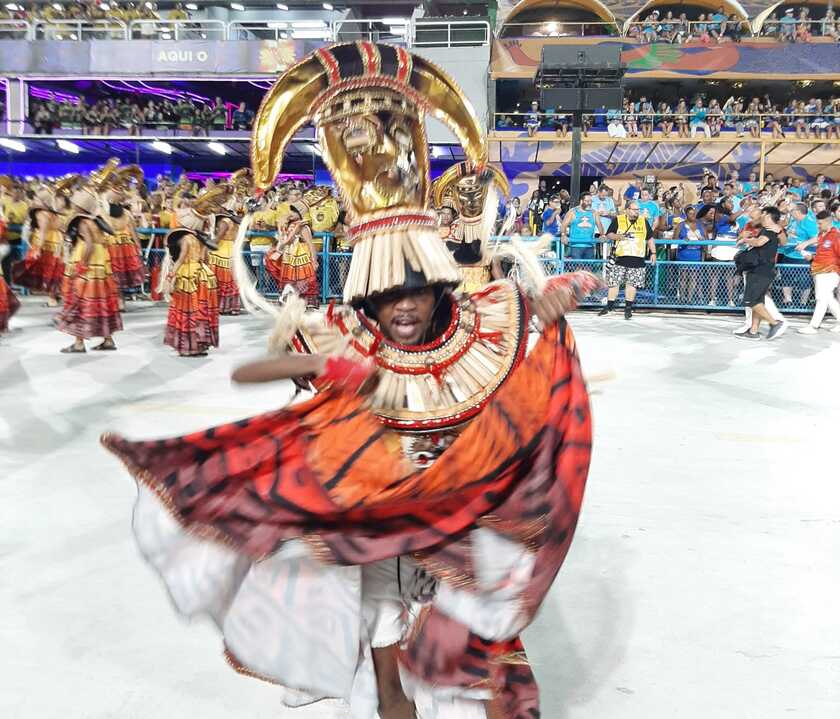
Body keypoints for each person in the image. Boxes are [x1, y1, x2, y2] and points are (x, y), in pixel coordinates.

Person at [102, 41, 595, 719]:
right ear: (366, 293)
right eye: (387, 293)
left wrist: (548, 310)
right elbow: (251, 369)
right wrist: (319, 365)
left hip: (460, 528)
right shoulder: (344, 331)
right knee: (390, 675)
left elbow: (530, 385)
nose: (404, 305)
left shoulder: (486, 321)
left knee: (480, 671)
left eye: (415, 289)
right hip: (374, 529)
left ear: (438, 281)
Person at [57, 186, 123, 353]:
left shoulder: (82, 222)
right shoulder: (96, 220)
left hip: (89, 264)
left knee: (80, 301)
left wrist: (81, 265)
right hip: (101, 264)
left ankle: (79, 343)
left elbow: (88, 245)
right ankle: (108, 339)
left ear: (79, 206)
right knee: (101, 301)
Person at [737, 206, 787, 340]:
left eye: (763, 214)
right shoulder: (768, 230)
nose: (760, 216)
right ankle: (753, 332)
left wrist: (745, 239)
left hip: (761, 269)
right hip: (762, 269)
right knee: (758, 301)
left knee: (752, 300)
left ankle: (775, 323)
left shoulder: (771, 231)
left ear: (769, 217)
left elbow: (759, 242)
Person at [11, 184, 65, 306]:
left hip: (47, 243)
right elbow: (60, 228)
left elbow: (43, 231)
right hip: (56, 241)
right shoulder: (53, 213)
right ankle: (54, 296)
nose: (34, 200)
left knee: (42, 269)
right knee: (54, 269)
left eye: (36, 199)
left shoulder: (41, 213)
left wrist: (38, 248)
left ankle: (52, 299)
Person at [600, 200, 655, 319]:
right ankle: (609, 306)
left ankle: (628, 308)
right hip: (620, 256)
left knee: (632, 284)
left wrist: (653, 252)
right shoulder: (618, 219)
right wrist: (619, 236)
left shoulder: (643, 221)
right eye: (634, 209)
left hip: (638, 257)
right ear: (627, 210)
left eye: (637, 210)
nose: (637, 212)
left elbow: (650, 238)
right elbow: (609, 234)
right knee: (614, 283)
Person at [264, 200, 319, 306]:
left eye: (294, 212)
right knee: (290, 280)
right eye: (291, 211)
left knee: (302, 280)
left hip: (301, 258)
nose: (291, 214)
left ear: (300, 214)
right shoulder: (290, 225)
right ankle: (290, 300)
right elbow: (283, 240)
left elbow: (310, 244)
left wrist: (314, 260)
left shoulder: (303, 227)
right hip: (289, 256)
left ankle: (303, 302)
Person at [796, 210, 840, 333]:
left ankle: (814, 326)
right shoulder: (822, 235)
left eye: (820, 224)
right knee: (828, 298)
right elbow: (823, 253)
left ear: (827, 222)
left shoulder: (836, 236)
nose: (818, 226)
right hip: (819, 270)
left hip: (830, 271)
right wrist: (811, 257)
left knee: (821, 298)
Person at [205, 185, 242, 315]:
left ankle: (221, 307)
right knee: (231, 280)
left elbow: (217, 239)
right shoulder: (234, 221)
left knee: (221, 280)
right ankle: (231, 307)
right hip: (231, 250)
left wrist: (206, 243)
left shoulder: (223, 222)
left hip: (221, 252)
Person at [780, 202, 818, 306]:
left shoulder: (809, 222)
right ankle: (788, 300)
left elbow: (818, 237)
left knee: (804, 280)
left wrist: (805, 243)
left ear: (797, 212)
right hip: (788, 253)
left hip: (802, 256)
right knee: (786, 278)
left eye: (792, 210)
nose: (790, 212)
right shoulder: (793, 220)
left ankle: (803, 303)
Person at [561, 192, 603, 261]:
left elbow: (599, 225)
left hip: (589, 245)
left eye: (590, 201)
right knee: (577, 269)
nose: (589, 203)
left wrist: (602, 235)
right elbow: (563, 225)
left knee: (588, 269)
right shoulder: (573, 212)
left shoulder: (594, 213)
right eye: (587, 201)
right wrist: (563, 235)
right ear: (581, 201)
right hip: (575, 246)